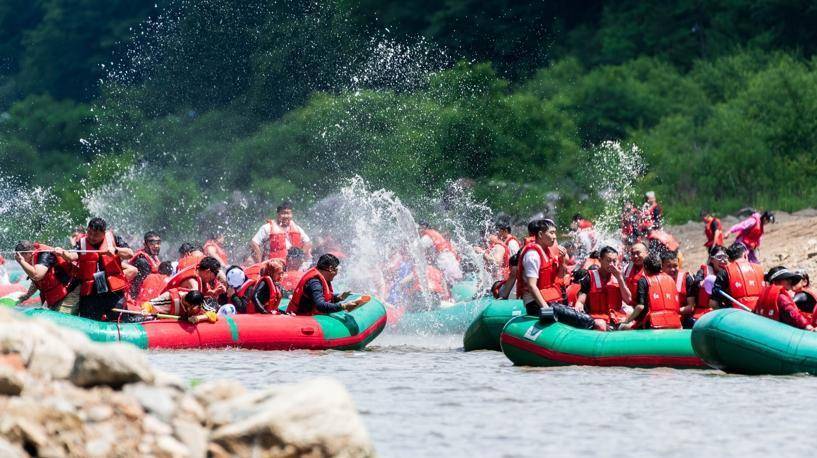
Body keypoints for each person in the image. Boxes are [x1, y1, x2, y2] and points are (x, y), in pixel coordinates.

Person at [56, 217, 134, 321]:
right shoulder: (82, 243)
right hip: (91, 294)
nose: (92, 237)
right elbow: (71, 256)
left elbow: (130, 254)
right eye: (89, 233)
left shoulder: (113, 239)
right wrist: (62, 253)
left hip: (113, 293)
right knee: (87, 319)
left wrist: (115, 250)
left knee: (121, 320)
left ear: (103, 233)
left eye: (96, 235)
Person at [516, 219, 568, 316]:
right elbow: (531, 285)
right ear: (540, 234)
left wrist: (562, 261)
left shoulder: (548, 252)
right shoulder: (532, 255)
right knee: (587, 321)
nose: (555, 236)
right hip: (535, 304)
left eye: (555, 233)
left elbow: (559, 277)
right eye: (551, 233)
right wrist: (546, 309)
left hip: (549, 299)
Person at [574, 246, 631, 330]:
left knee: (630, 325)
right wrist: (579, 308)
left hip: (616, 318)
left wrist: (619, 278)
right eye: (608, 260)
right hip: (597, 318)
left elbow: (628, 300)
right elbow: (580, 302)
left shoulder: (619, 276)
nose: (612, 264)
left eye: (614, 261)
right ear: (600, 260)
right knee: (601, 325)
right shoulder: (589, 277)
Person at [287, 254, 364, 315]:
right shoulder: (314, 283)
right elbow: (320, 305)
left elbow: (320, 297)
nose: (337, 273)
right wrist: (343, 306)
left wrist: (338, 298)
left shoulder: (319, 276)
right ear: (331, 269)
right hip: (299, 319)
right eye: (337, 269)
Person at [619, 254, 681, 330]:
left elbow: (640, 307)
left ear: (644, 268)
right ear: (661, 267)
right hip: (675, 323)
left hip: (653, 325)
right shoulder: (671, 279)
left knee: (622, 327)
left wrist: (627, 321)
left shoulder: (643, 281)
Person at [14, 240, 78, 311]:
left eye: (21, 255)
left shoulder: (44, 254)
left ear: (29, 253)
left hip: (70, 290)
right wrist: (27, 295)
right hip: (57, 295)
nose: (19, 257)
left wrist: (21, 261)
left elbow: (37, 276)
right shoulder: (31, 259)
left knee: (60, 316)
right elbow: (37, 282)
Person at [710, 243, 765, 310]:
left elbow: (713, 303)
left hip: (736, 313)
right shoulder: (760, 269)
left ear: (729, 259)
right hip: (759, 312)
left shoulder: (724, 273)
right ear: (745, 255)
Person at [687, 245, 728, 327]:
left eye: (725, 257)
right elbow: (696, 283)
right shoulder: (703, 272)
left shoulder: (729, 274)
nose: (723, 260)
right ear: (712, 260)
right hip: (703, 313)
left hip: (722, 312)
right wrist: (704, 282)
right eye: (719, 257)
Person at [660, 251, 697, 328]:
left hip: (683, 318)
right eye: (669, 266)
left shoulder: (687, 279)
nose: (673, 269)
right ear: (662, 267)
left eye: (675, 266)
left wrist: (674, 312)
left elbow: (691, 307)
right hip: (663, 318)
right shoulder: (656, 280)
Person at [141, 289, 217, 324]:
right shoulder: (169, 298)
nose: (193, 309)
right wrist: (145, 310)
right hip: (166, 325)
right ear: (187, 303)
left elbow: (213, 313)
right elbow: (149, 304)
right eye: (191, 307)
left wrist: (198, 318)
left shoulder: (198, 300)